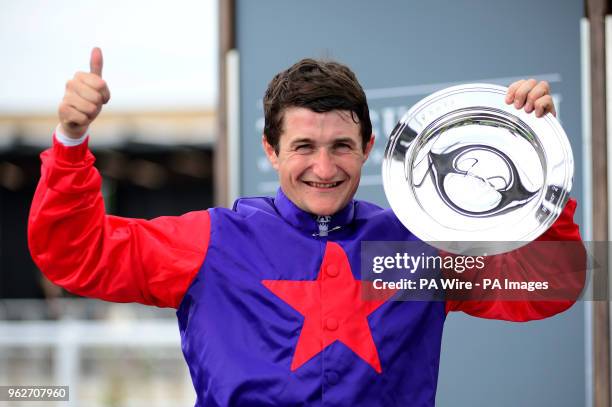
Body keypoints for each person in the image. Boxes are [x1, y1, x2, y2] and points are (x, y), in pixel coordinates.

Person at [28, 47, 584, 406]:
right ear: (270, 150)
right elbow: (74, 255)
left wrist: (536, 157)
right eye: (303, 147)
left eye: (341, 146)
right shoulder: (211, 241)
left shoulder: (419, 246)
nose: (324, 168)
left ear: (367, 147)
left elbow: (553, 283)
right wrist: (72, 140)